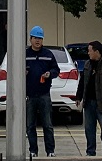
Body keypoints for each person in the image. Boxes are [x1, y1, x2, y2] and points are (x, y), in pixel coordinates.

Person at [75, 41, 102, 156]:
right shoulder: (87, 64)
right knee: (89, 130)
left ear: (96, 52)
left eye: (90, 51)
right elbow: (82, 82)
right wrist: (78, 97)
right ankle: (90, 152)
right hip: (89, 103)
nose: (88, 53)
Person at [25, 25, 60, 157]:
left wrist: (50, 74)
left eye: (40, 38)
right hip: (30, 95)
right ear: (30, 39)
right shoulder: (25, 54)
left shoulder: (48, 54)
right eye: (35, 38)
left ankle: (50, 151)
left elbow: (56, 70)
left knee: (47, 125)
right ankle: (33, 151)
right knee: (30, 126)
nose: (37, 41)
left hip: (44, 95)